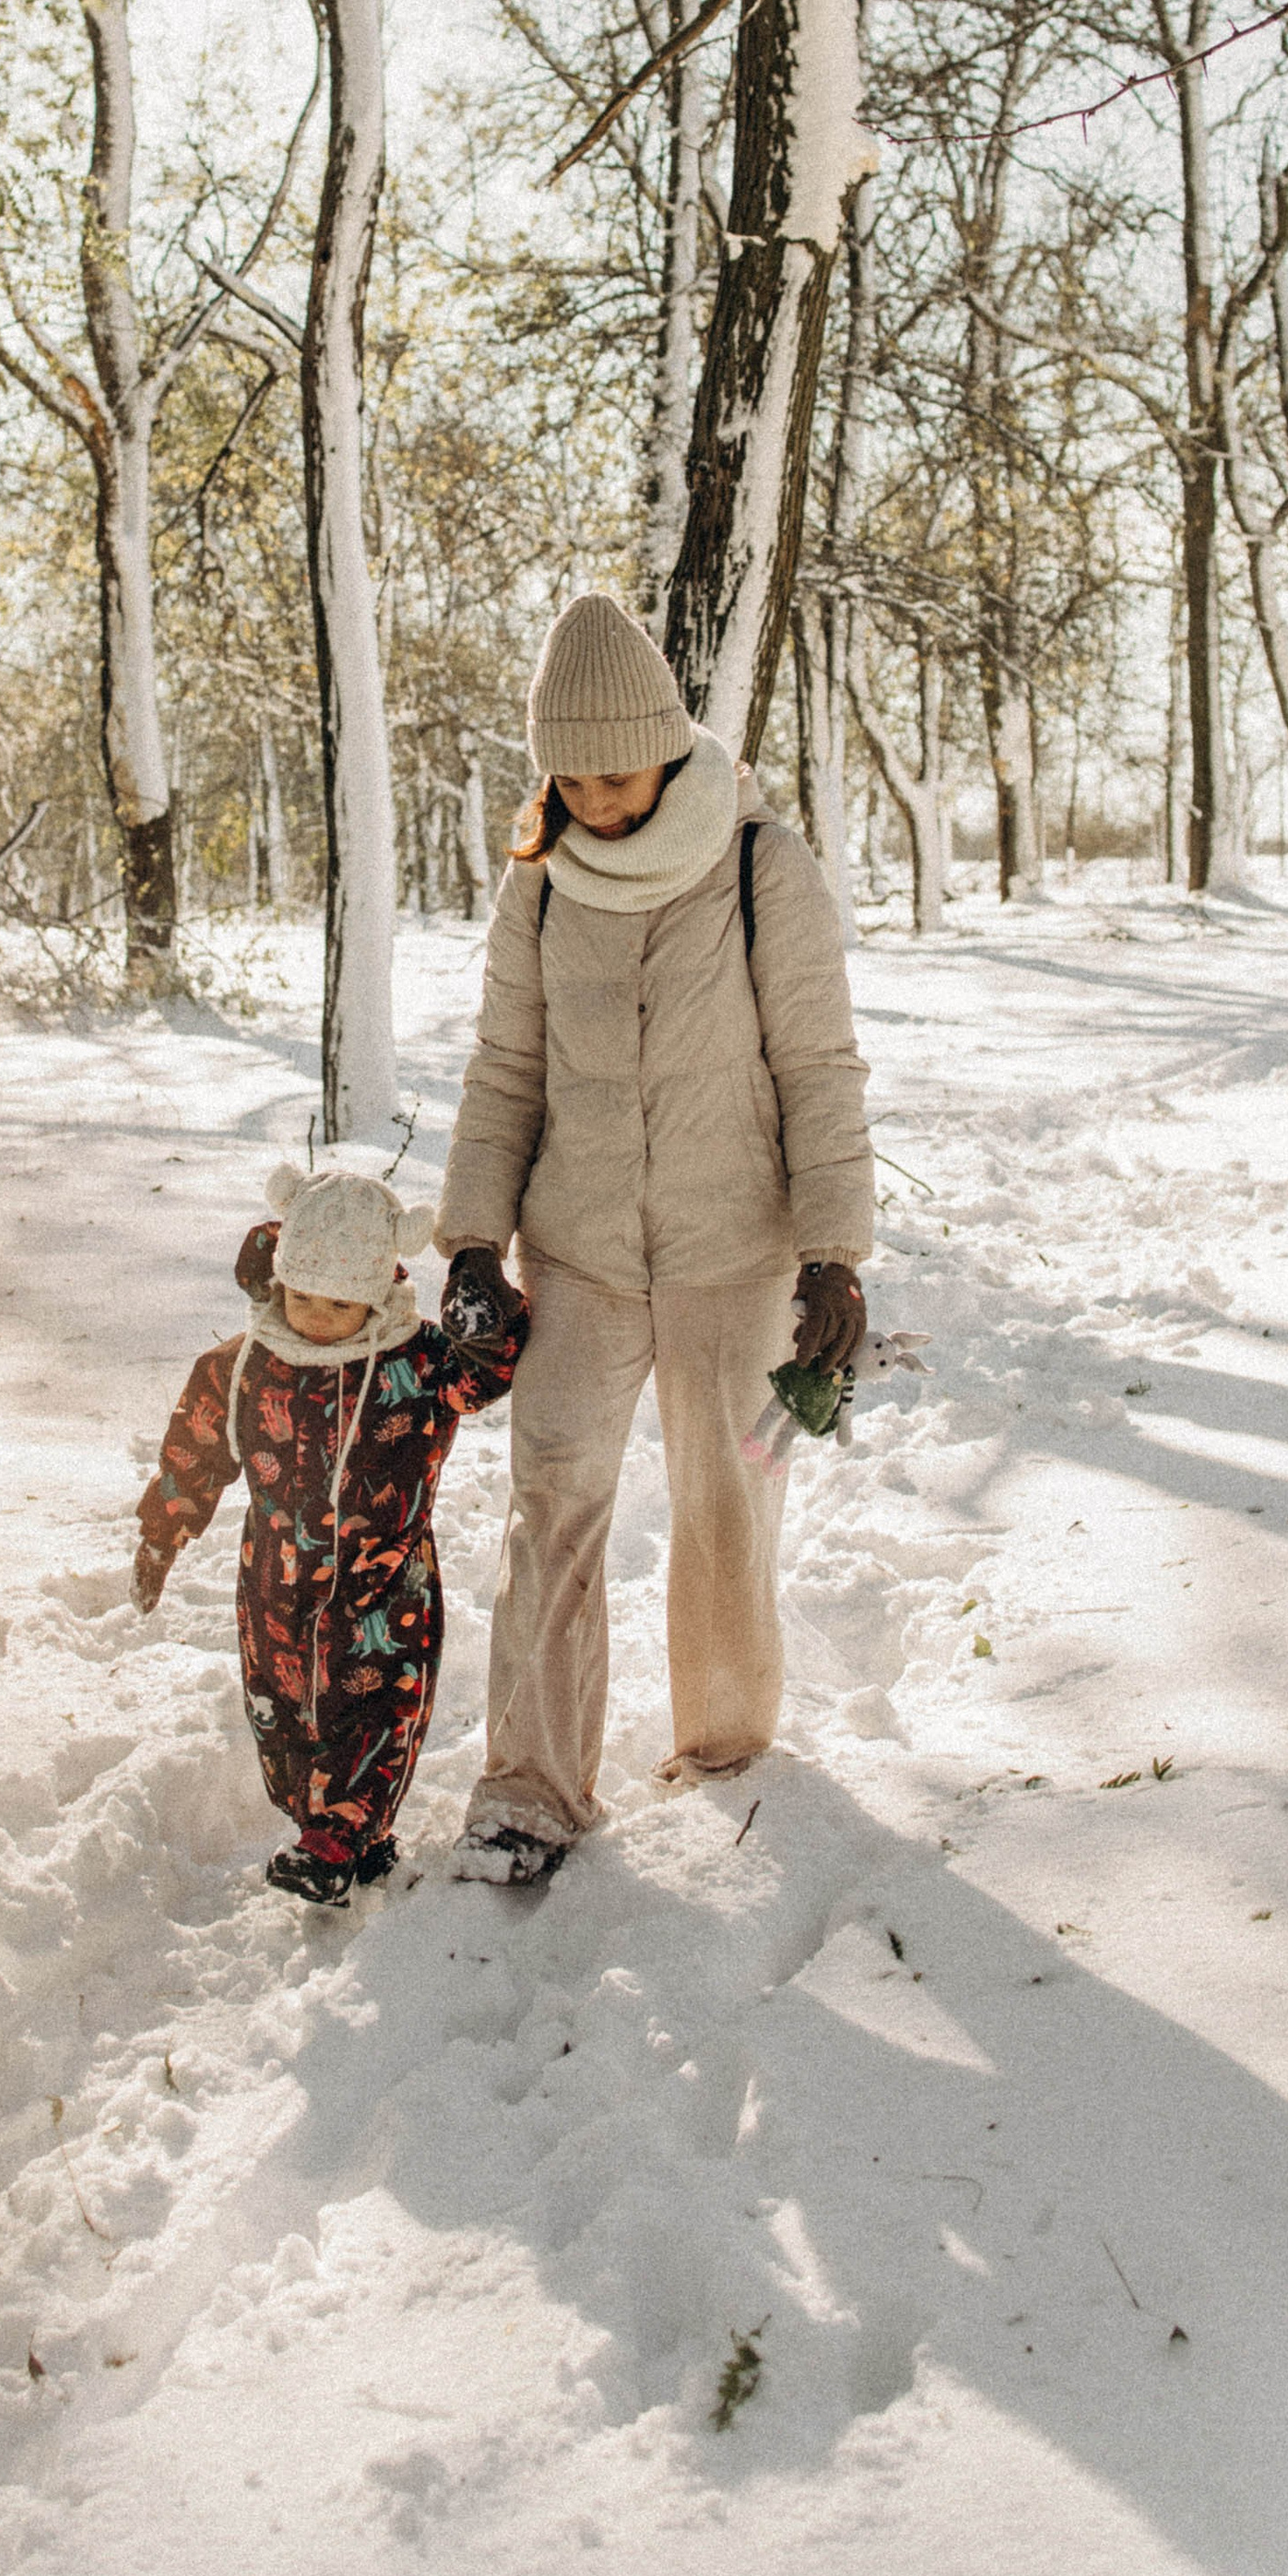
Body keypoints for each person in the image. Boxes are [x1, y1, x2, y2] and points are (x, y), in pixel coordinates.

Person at [435, 593, 875, 1885]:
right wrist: (472, 1239)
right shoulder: (540, 881)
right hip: (574, 1250)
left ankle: (729, 1751)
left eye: (617, 774)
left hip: (736, 1249)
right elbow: (504, 1067)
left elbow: (819, 1064)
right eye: (568, 777)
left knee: (729, 1494)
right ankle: (530, 1788)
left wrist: (836, 1252)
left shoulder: (757, 864)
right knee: (551, 1501)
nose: (596, 800)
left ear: (671, 752)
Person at [133, 1162, 528, 1904]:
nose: (316, 1315)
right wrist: (162, 1533)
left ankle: (339, 1836)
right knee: (284, 1725)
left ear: (378, 1293)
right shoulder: (245, 1364)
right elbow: (195, 1452)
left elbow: (489, 1370)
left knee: (374, 1713)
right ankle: (340, 1834)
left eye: (341, 1303)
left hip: (384, 1588)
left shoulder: (414, 1360)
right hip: (273, 1584)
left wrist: (495, 1315)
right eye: (302, 1294)